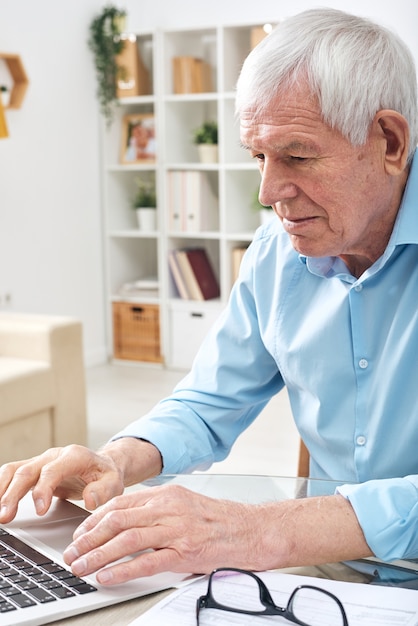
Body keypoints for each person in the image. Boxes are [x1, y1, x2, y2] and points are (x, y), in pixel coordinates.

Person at [1, 8, 418, 587]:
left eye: (297, 156)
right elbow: (208, 400)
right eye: (258, 156)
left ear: (390, 142)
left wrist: (262, 530)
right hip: (337, 569)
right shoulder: (277, 251)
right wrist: (117, 461)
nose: (268, 192)